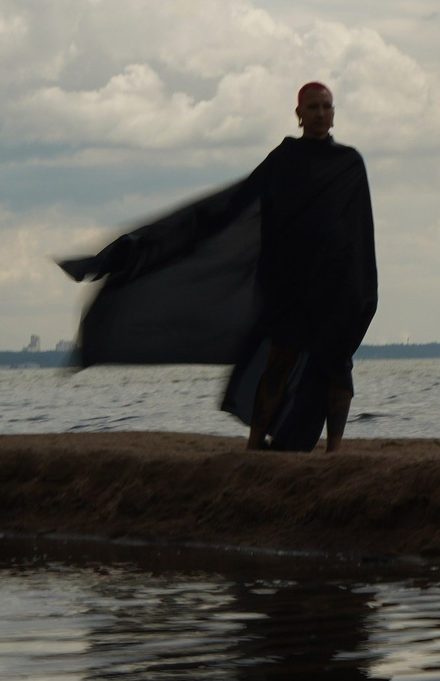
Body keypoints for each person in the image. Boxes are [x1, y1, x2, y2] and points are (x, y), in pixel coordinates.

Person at [59, 80, 378, 452]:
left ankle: (335, 450)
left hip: (337, 288)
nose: (321, 114)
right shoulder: (285, 160)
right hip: (292, 285)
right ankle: (255, 443)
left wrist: (362, 291)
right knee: (280, 362)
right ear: (298, 114)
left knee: (337, 369)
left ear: (334, 112)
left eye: (326, 107)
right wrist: (146, 246)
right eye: (313, 108)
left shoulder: (349, 164)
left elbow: (359, 233)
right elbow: (234, 205)